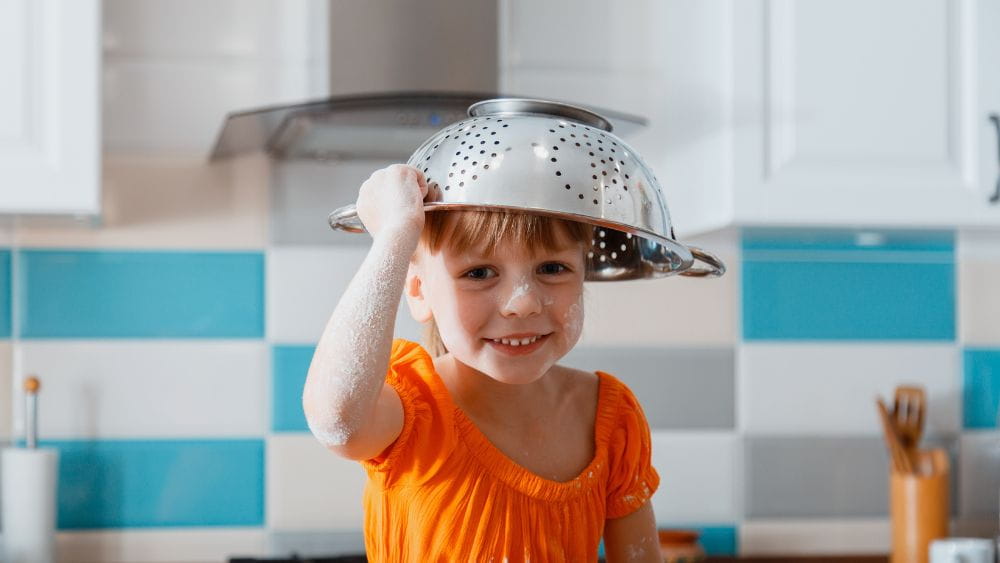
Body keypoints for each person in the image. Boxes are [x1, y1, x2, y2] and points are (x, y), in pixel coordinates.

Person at [303, 163, 662, 562]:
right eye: (479, 272)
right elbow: (338, 421)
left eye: (552, 268)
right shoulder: (412, 408)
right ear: (419, 291)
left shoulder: (611, 418)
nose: (522, 303)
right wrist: (394, 234)